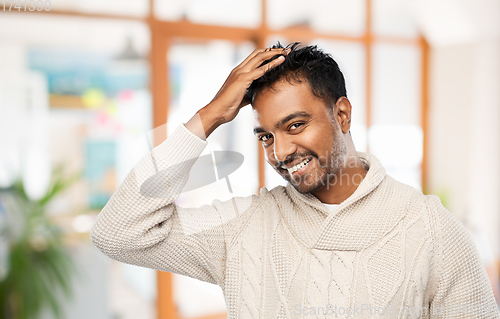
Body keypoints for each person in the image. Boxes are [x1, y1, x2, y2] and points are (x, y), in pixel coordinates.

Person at [91, 43, 499, 318]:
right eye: (266, 136)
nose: (280, 151)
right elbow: (118, 233)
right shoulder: (243, 227)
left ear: (342, 115)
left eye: (296, 125)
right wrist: (211, 114)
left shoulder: (431, 229)